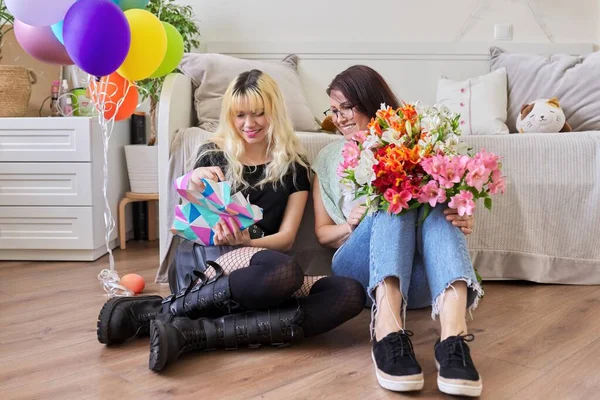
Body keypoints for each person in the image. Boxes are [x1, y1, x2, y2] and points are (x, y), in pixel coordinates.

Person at [96, 69, 365, 372]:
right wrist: (192, 178)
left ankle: (190, 333)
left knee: (348, 293)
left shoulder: (294, 167)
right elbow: (190, 208)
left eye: (259, 114)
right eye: (240, 115)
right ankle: (164, 310)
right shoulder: (213, 153)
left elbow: (286, 238)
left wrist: (247, 242)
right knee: (283, 270)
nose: (249, 124)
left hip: (259, 271)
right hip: (204, 265)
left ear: (274, 112)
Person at [312, 65, 483, 397]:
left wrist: (461, 215)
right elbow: (322, 234)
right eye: (334, 111)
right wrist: (350, 225)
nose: (340, 118)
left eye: (347, 106)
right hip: (358, 273)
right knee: (393, 197)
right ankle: (387, 330)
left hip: (420, 281)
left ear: (369, 101)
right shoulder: (327, 157)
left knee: (426, 190)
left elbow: (447, 209)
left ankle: (453, 339)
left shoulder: (414, 142)